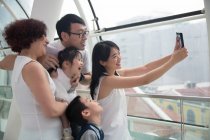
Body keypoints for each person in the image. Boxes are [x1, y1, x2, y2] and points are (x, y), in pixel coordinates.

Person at [90, 40, 188, 140]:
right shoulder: (107, 80)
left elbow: (146, 68)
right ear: (102, 62)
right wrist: (173, 61)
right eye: (114, 56)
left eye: (119, 53)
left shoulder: (114, 74)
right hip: (111, 136)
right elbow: (145, 80)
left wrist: (173, 56)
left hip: (119, 133)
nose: (119, 58)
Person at [2, 18, 68, 140]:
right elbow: (51, 111)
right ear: (32, 38)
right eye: (43, 36)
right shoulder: (33, 67)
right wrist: (65, 104)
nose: (47, 41)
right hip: (43, 135)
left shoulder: (19, 62)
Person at [38, 14, 91, 85]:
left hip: (68, 94)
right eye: (80, 33)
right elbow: (19, 58)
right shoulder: (46, 49)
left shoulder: (83, 53)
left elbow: (88, 79)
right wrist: (39, 60)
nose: (85, 37)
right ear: (64, 36)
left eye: (85, 32)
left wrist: (80, 77)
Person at [49, 47, 83, 140]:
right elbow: (62, 98)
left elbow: (69, 93)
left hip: (68, 107)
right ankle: (67, 133)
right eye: (79, 60)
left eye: (81, 60)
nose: (82, 63)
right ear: (66, 64)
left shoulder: (72, 77)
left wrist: (73, 87)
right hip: (61, 107)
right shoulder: (56, 74)